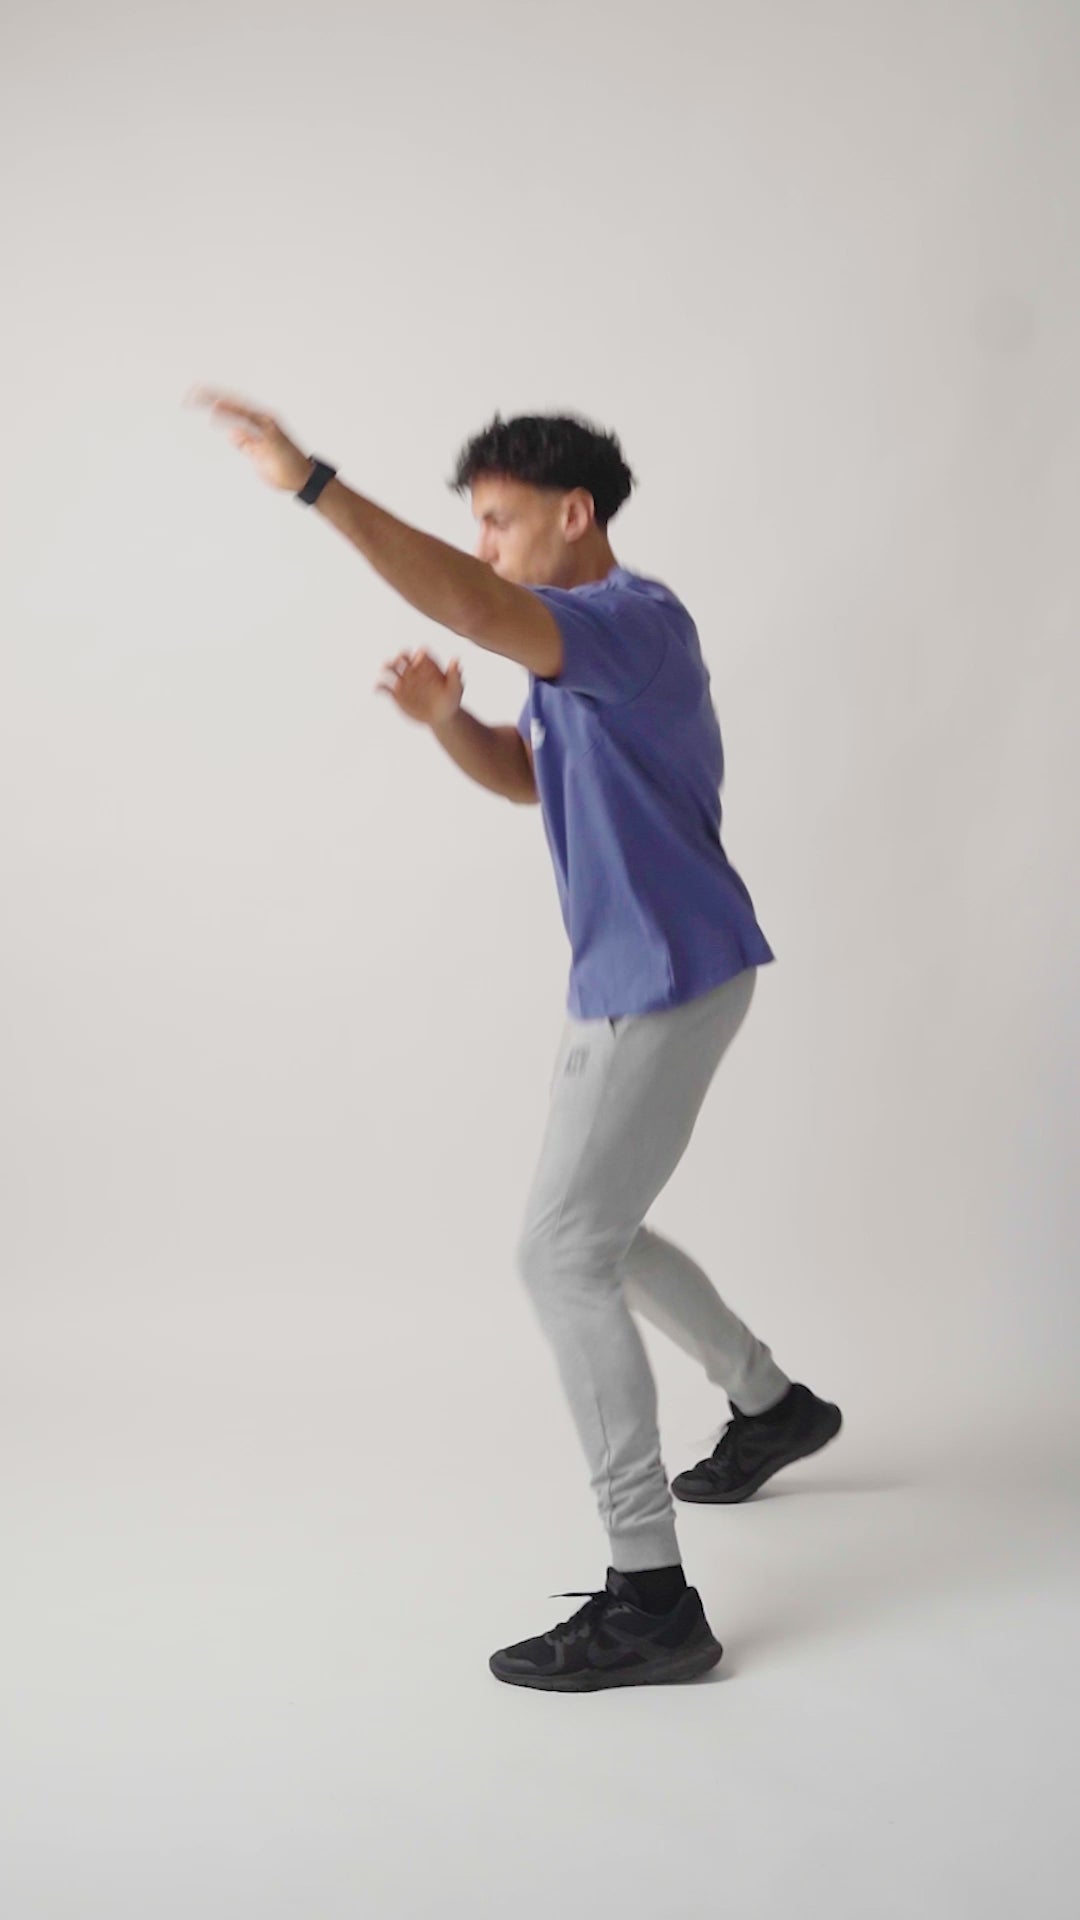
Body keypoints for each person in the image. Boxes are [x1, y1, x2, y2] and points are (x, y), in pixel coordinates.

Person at [186, 390, 843, 1694]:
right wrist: (447, 723)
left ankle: (651, 1598)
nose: (484, 545)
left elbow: (478, 607)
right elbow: (528, 777)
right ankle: (773, 1405)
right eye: (476, 525)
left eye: (497, 520)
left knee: (559, 1252)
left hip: (666, 979)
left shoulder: (632, 625)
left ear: (573, 513)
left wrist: (313, 484)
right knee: (598, 1234)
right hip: (643, 977)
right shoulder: (574, 658)